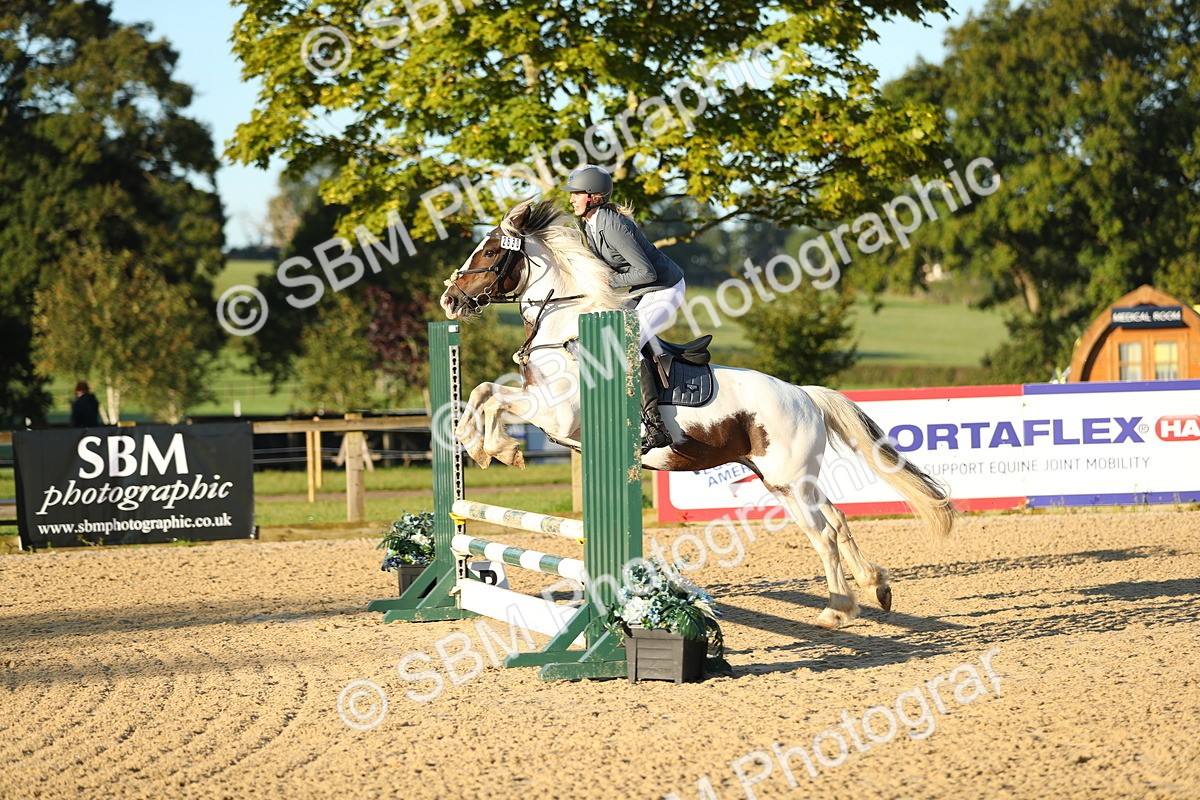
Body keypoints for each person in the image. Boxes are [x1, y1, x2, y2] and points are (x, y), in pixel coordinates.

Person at [562, 164, 687, 453]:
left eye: (576, 194)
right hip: (642, 290)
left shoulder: (612, 224)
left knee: (625, 346)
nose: (571, 199)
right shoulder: (590, 224)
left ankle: (655, 426)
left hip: (663, 289)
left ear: (593, 196)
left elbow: (646, 273)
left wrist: (608, 282)